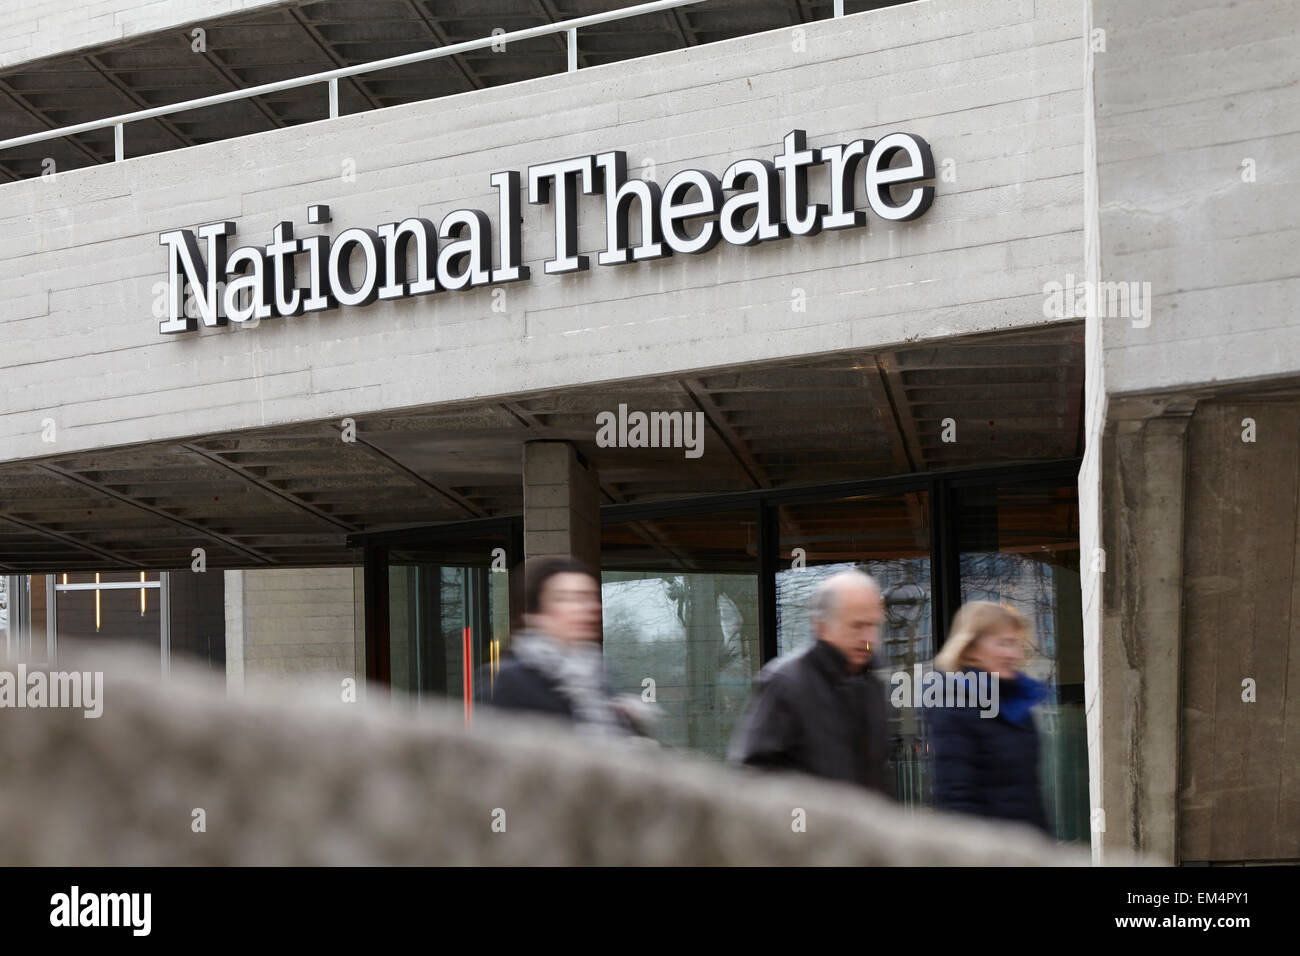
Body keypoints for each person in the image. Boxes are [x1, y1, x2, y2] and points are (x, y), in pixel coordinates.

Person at [727, 569, 891, 795]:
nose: (868, 639)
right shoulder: (786, 681)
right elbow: (752, 778)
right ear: (822, 627)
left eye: (873, 625)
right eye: (857, 626)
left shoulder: (872, 681)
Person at [485, 555, 653, 739]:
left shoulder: (598, 676)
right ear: (534, 614)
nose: (588, 608)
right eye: (568, 598)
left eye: (590, 598)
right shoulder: (509, 681)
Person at [928, 600, 1051, 834]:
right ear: (971, 648)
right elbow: (955, 799)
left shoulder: (1018, 702)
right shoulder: (954, 703)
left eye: (1016, 643)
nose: (1014, 654)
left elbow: (1030, 795)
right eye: (1004, 643)